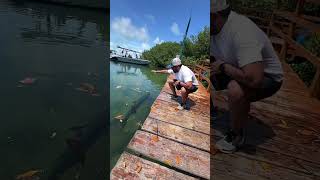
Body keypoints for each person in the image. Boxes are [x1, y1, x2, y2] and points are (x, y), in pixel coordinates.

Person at [211, 0, 284, 153]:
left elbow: (254, 79)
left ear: (215, 16)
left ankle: (236, 135)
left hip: (267, 77)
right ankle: (212, 111)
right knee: (205, 76)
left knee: (235, 89)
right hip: (237, 67)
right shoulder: (213, 30)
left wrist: (222, 67)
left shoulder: (241, 30)